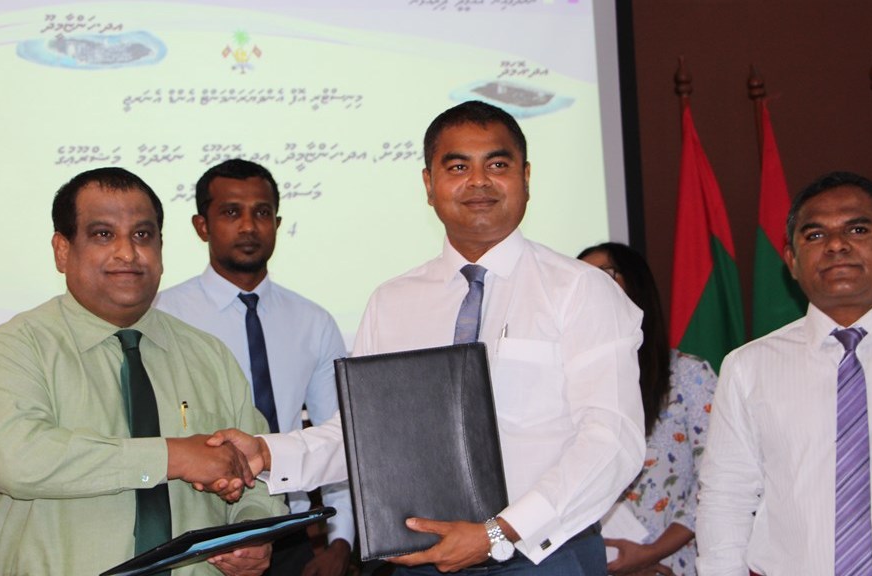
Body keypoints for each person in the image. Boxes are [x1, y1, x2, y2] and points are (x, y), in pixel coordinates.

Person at [210, 100, 646, 575]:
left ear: (525, 177)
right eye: (457, 167)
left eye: (497, 165)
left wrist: (499, 532)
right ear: (429, 185)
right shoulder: (393, 301)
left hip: (542, 555)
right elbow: (367, 439)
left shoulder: (581, 290)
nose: (478, 182)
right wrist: (267, 453)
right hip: (422, 558)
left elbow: (612, 441)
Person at [0, 167, 285, 576]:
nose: (128, 253)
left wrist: (252, 532)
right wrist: (174, 456)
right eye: (103, 234)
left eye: (143, 235)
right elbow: (18, 461)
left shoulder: (210, 356)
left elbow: (259, 474)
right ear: (62, 250)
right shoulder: (14, 348)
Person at [156, 159, 354, 576]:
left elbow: (340, 432)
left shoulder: (313, 321)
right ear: (201, 226)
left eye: (262, 213)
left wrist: (341, 541)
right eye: (231, 212)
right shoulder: (163, 316)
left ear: (277, 224)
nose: (249, 226)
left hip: (290, 528)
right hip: (197, 528)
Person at [696, 171, 872, 575]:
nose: (836, 245)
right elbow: (726, 498)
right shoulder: (748, 367)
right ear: (791, 262)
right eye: (815, 235)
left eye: (857, 229)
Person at [578, 243, 717, 576]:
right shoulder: (569, 384)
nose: (590, 287)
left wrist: (650, 554)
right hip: (589, 563)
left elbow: (716, 483)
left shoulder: (689, 376)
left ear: (636, 286)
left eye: (605, 275)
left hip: (670, 563)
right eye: (581, 278)